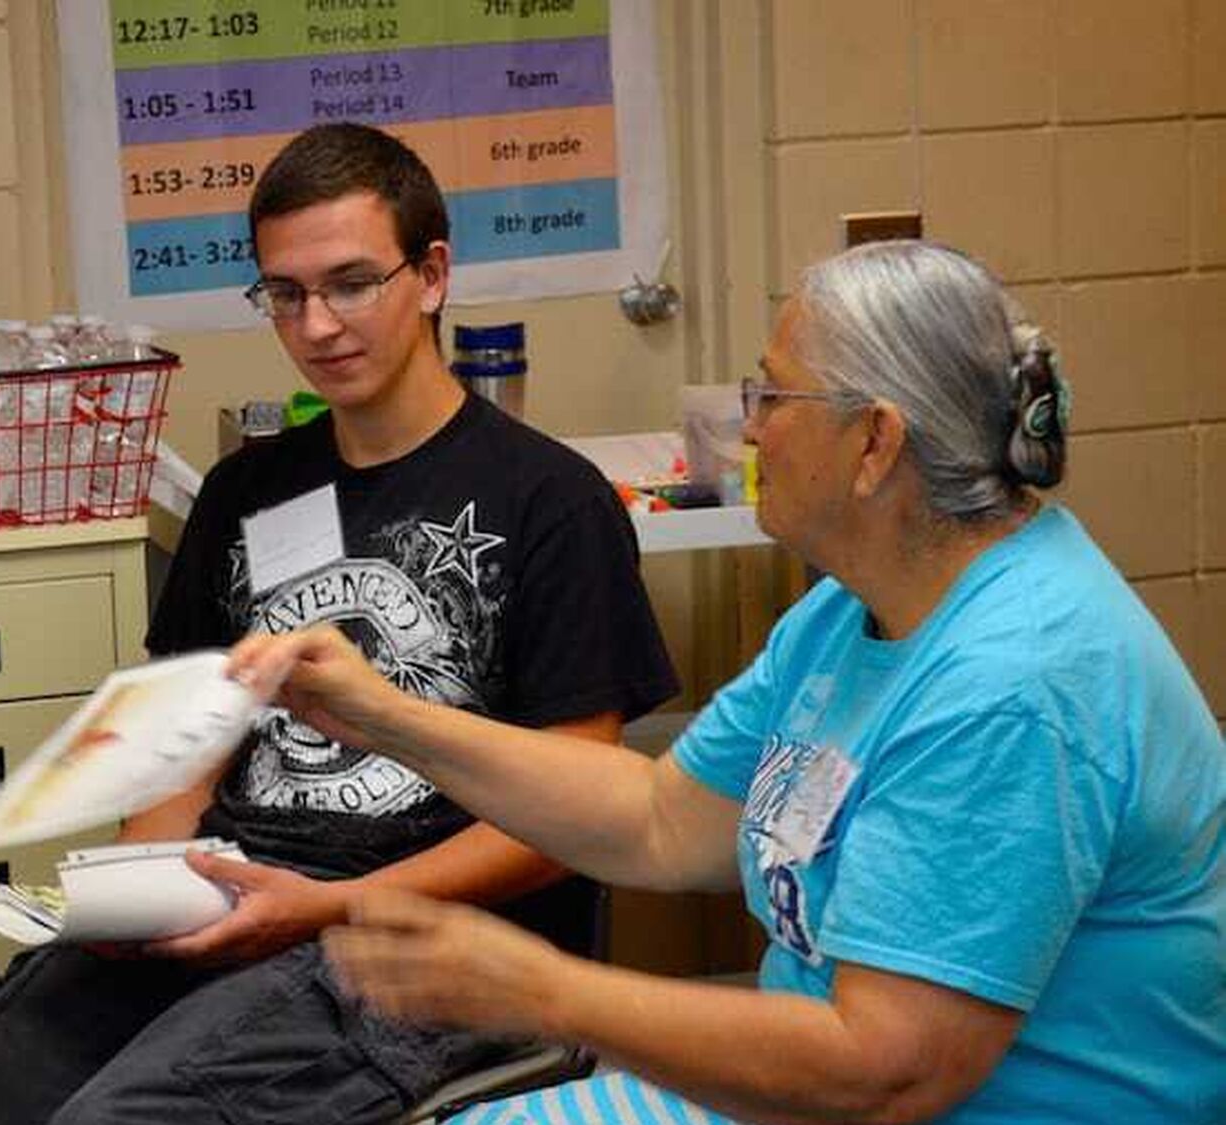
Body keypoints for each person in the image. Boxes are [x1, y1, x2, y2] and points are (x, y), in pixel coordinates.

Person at [234, 240, 1226, 1124]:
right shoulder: (856, 610)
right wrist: (383, 717)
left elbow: (883, 1075)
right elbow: (660, 820)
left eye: (772, 398)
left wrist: (537, 989)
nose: (748, 432)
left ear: (873, 444)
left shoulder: (1013, 682)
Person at [0, 123, 680, 1124]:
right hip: (234, 898)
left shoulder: (548, 501)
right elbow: (186, 746)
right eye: (285, 294)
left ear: (431, 274)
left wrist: (325, 906)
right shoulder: (244, 492)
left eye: (351, 283)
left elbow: (580, 811)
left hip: (423, 935)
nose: (318, 325)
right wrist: (139, 887)